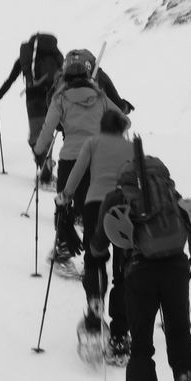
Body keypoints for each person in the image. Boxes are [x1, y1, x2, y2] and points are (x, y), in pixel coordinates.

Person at [95, 147, 191, 381]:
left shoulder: (118, 197)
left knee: (142, 347)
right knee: (178, 332)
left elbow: (98, 241)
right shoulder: (172, 195)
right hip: (175, 269)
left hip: (138, 273)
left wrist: (98, 255)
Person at [32, 49, 119, 265]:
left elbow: (48, 128)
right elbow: (122, 118)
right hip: (96, 159)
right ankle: (93, 257)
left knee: (64, 202)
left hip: (70, 159)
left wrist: (39, 149)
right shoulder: (100, 97)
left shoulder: (60, 97)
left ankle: (63, 248)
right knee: (91, 209)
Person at [59, 107, 134, 351]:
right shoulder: (130, 147)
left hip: (95, 206)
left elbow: (78, 171)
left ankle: (94, 303)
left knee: (95, 258)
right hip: (124, 207)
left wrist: (66, 196)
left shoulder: (92, 142)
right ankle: (121, 331)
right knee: (123, 267)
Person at [0, 32, 63, 183]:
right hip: (53, 98)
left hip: (34, 98)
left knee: (36, 135)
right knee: (48, 132)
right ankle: (47, 164)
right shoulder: (54, 57)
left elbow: (11, 79)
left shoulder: (26, 61)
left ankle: (44, 166)